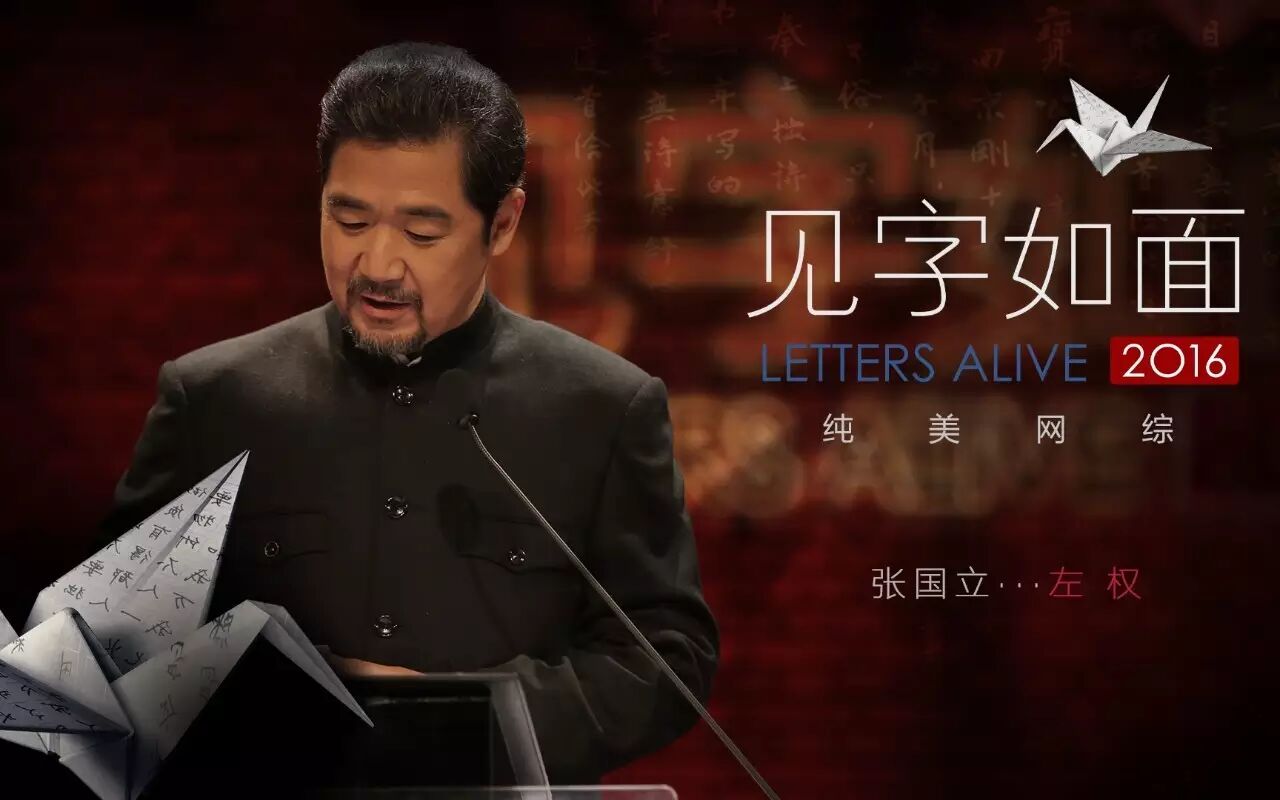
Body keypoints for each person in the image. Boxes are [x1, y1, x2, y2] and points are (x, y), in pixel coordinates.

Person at [95, 41, 718, 785]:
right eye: (349, 220)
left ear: (503, 223)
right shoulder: (215, 401)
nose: (379, 266)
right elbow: (105, 647)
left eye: (422, 233)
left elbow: (664, 660)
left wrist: (453, 721)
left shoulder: (602, 409)